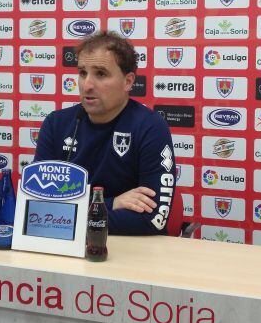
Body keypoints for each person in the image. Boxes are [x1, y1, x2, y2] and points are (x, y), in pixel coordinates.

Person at [34, 31, 176, 235]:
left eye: (100, 74)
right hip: (66, 247)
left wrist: (65, 216)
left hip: (134, 253)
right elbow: (38, 208)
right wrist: (110, 204)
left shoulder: (150, 127)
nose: (87, 85)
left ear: (128, 82)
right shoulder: (56, 124)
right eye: (83, 73)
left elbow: (153, 218)